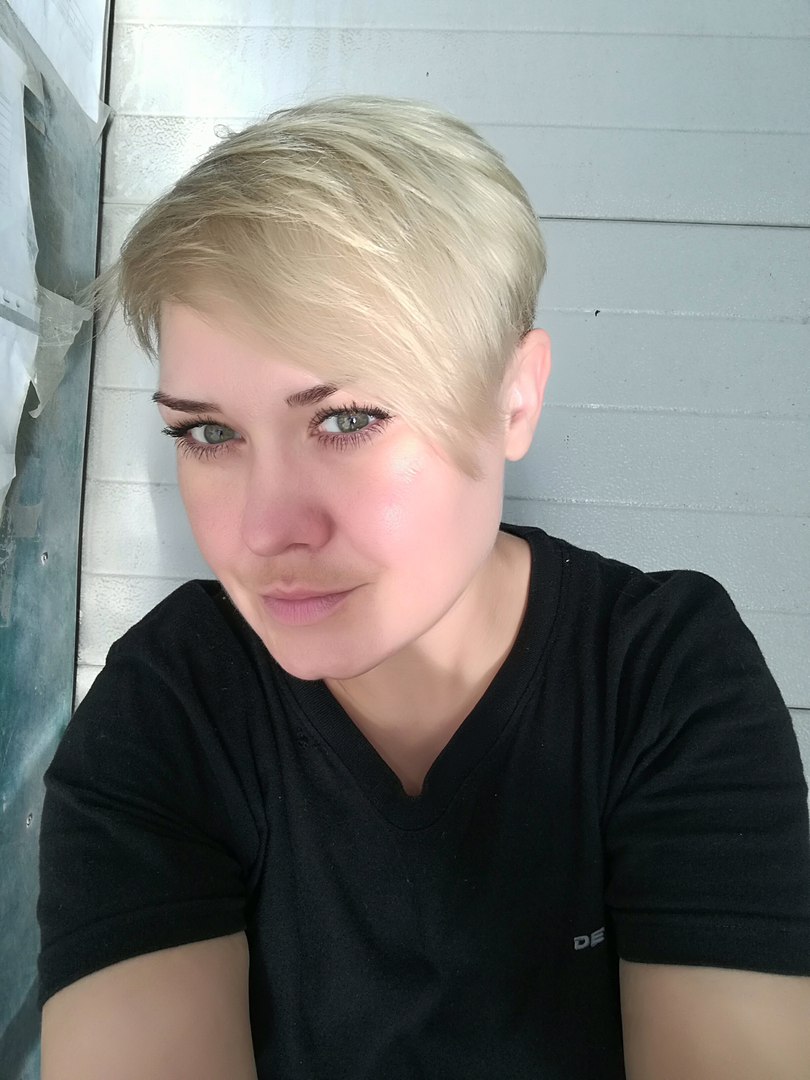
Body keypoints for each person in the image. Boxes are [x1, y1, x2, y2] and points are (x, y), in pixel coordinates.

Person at [37, 96, 810, 1079]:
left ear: (514, 399)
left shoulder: (659, 674)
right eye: (209, 432)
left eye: (347, 419)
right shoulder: (170, 707)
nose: (266, 530)